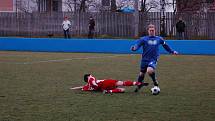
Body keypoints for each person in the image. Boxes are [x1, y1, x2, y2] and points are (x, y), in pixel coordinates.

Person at [131, 24, 178, 93]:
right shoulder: (143, 39)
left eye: (153, 30)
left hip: (153, 59)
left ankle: (155, 82)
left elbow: (165, 46)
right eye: (150, 30)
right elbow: (137, 45)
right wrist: (134, 48)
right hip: (144, 59)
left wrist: (172, 51)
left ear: (155, 30)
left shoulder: (159, 39)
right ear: (148, 31)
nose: (152, 31)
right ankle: (139, 85)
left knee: (149, 70)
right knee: (141, 74)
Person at [82, 74, 148, 94]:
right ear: (87, 77)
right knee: (123, 83)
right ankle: (138, 83)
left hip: (103, 88)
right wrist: (90, 77)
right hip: (106, 82)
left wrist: (83, 88)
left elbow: (85, 88)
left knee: (122, 90)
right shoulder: (91, 79)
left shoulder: (88, 86)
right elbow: (93, 81)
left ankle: (109, 91)